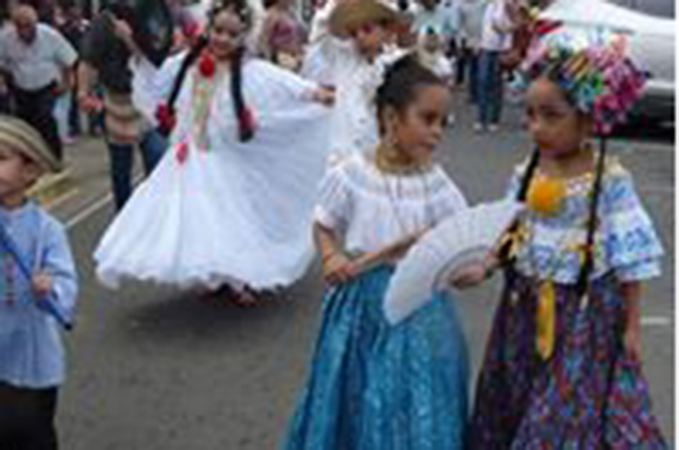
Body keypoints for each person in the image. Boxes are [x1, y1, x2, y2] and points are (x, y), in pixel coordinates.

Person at [465, 29, 668, 448]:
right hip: (522, 311)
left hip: (584, 317)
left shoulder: (609, 181)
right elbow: (508, 233)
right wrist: (484, 264)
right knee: (521, 398)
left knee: (557, 414)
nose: (537, 126)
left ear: (589, 118)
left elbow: (633, 260)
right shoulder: (526, 174)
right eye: (531, 114)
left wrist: (630, 327)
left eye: (552, 115)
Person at [93, 0, 334, 305]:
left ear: (243, 38)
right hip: (188, 155)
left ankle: (239, 277)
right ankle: (213, 273)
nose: (222, 39)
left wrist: (315, 94)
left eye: (232, 35)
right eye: (218, 30)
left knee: (231, 217)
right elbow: (155, 78)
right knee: (196, 216)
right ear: (208, 28)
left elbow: (282, 83)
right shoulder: (185, 63)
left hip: (225, 157)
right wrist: (130, 41)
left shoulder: (249, 71)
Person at [284, 56, 470, 449]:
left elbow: (460, 249)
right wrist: (331, 256)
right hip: (362, 307)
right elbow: (324, 223)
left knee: (414, 396)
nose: (437, 133)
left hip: (423, 309)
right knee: (360, 390)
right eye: (427, 119)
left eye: (443, 123)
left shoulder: (438, 185)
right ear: (391, 117)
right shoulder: (353, 174)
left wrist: (472, 269)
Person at [0, 116, 78, 450]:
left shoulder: (47, 229)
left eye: (0, 159)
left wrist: (51, 287)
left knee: (31, 434)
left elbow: (65, 284)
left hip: (30, 352)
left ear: (30, 171)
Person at [78, 0, 171, 211]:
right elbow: (89, 59)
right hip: (116, 100)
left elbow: (155, 61)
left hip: (148, 100)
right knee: (121, 168)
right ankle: (123, 220)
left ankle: (158, 213)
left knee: (157, 160)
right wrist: (83, 92)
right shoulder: (106, 19)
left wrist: (128, 38)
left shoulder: (156, 11)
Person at [301, 0, 407, 165]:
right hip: (342, 150)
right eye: (353, 32)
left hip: (373, 147)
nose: (360, 36)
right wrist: (335, 4)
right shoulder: (343, 56)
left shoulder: (392, 64)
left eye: (367, 29)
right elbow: (319, 34)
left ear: (386, 32)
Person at [0, 4, 77, 162]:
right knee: (25, 124)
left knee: (45, 118)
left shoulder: (50, 35)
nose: (24, 32)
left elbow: (69, 60)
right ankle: (30, 159)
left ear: (35, 24)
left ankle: (55, 158)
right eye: (20, 27)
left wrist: (67, 81)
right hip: (20, 87)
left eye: (28, 27)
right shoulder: (5, 37)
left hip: (46, 86)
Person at [474, 0, 518, 132]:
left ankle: (494, 119)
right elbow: (480, 25)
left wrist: (502, 29)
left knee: (496, 83)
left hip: (501, 49)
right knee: (482, 81)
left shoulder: (508, 4)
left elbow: (516, 25)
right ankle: (481, 118)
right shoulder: (487, 5)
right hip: (485, 47)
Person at [257, 0, 307, 71]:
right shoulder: (272, 14)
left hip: (295, 57)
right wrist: (269, 61)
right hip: (281, 58)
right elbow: (264, 39)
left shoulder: (288, 13)